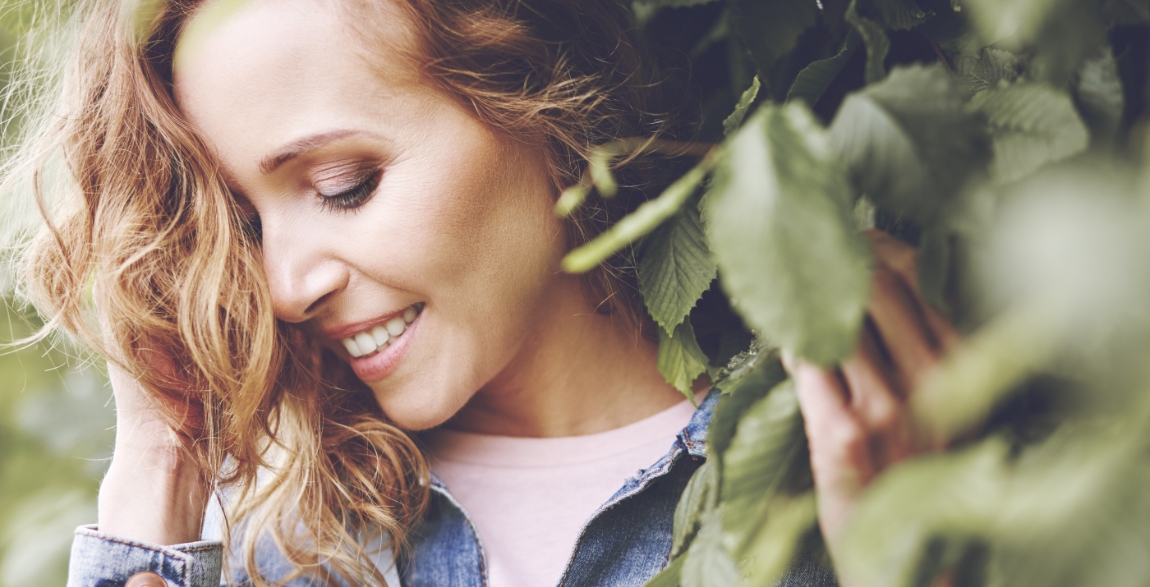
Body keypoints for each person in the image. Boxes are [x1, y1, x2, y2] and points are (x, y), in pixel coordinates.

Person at [12, 0, 957, 585]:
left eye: (345, 183)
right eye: (249, 224)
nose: (287, 285)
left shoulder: (846, 448)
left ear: (534, 95)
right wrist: (155, 471)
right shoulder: (291, 545)